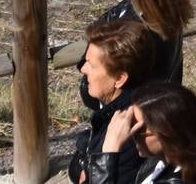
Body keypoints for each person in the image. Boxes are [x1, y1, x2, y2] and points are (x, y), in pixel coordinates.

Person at [70, 18, 164, 184]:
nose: (83, 69)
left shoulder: (130, 132)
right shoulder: (119, 105)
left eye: (91, 65)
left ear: (119, 78)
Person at [107, 83, 196, 184]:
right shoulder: (160, 166)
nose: (131, 135)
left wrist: (109, 150)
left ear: (166, 131)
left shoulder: (175, 181)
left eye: (138, 129)